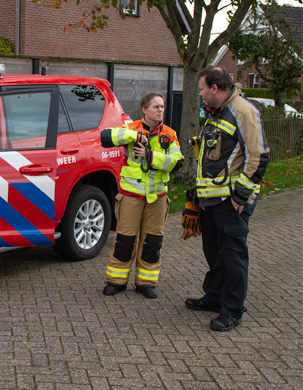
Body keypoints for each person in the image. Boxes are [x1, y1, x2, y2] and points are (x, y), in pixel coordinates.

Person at [184, 66, 270, 332]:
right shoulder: (216, 113)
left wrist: (241, 195)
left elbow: (259, 156)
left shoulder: (243, 112)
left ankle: (232, 310)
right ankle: (215, 297)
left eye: (201, 89)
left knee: (233, 256)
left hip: (231, 201)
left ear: (214, 88)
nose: (199, 94)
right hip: (211, 199)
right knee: (214, 251)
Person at [100, 92, 184, 299]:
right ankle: (116, 281)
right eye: (156, 107)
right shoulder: (130, 128)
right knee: (124, 241)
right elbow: (105, 137)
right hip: (131, 196)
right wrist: (135, 136)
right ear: (144, 109)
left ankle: (146, 283)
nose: (160, 110)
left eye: (162, 107)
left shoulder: (170, 134)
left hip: (157, 198)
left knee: (152, 242)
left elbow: (177, 162)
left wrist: (150, 155)